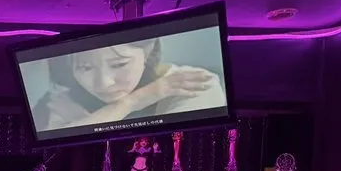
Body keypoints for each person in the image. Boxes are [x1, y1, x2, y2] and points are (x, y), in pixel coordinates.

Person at [33, 39, 224, 131]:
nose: (104, 83)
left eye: (119, 64)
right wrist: (133, 101)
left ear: (148, 50)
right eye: (86, 68)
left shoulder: (194, 83)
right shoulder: (63, 98)